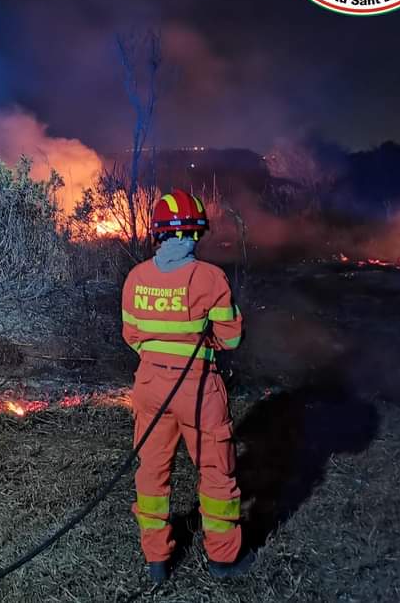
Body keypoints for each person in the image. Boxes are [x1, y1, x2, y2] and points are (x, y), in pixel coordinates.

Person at [121, 189, 255, 583]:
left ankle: (157, 560)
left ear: (158, 234)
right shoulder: (209, 278)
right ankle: (222, 559)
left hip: (149, 385)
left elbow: (133, 336)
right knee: (215, 472)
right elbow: (230, 339)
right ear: (196, 233)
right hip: (197, 388)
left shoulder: (135, 277)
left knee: (151, 471)